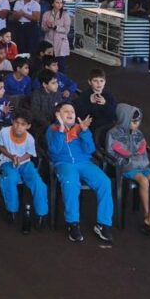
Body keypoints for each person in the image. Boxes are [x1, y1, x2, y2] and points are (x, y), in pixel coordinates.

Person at [46, 103, 113, 243]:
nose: (70, 113)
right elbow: (54, 151)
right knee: (71, 182)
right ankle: (73, 223)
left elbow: (90, 149)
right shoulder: (52, 129)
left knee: (105, 182)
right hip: (63, 163)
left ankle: (103, 224)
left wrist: (84, 131)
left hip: (84, 163)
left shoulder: (79, 128)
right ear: (58, 115)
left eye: (72, 111)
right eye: (66, 111)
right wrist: (61, 130)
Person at [105, 104, 150, 238]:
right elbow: (110, 153)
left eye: (138, 121)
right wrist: (125, 161)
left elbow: (143, 150)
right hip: (127, 167)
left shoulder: (139, 133)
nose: (137, 124)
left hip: (142, 166)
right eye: (134, 121)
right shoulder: (112, 133)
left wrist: (141, 159)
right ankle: (147, 216)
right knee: (144, 181)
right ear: (124, 119)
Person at [0, 110, 48, 229]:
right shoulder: (4, 131)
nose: (19, 126)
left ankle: (41, 214)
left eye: (23, 124)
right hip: (7, 162)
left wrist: (20, 159)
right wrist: (11, 156)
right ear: (12, 121)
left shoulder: (30, 138)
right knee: (10, 178)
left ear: (28, 126)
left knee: (38, 182)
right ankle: (12, 210)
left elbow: (30, 153)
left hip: (25, 163)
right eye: (17, 123)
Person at [74, 68, 118, 133]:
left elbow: (114, 116)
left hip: (108, 126)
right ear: (89, 82)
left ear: (105, 82)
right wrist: (90, 103)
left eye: (101, 81)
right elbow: (79, 116)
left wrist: (105, 104)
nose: (99, 83)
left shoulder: (109, 96)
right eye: (95, 81)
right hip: (92, 128)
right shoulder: (84, 95)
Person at [40, 0, 71, 71]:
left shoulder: (65, 15)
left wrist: (56, 27)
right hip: (49, 42)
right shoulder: (46, 14)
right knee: (48, 64)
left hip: (61, 43)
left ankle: (61, 77)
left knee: (61, 65)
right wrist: (48, 26)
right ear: (52, 4)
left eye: (61, 3)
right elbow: (43, 28)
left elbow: (67, 30)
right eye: (57, 2)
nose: (59, 4)